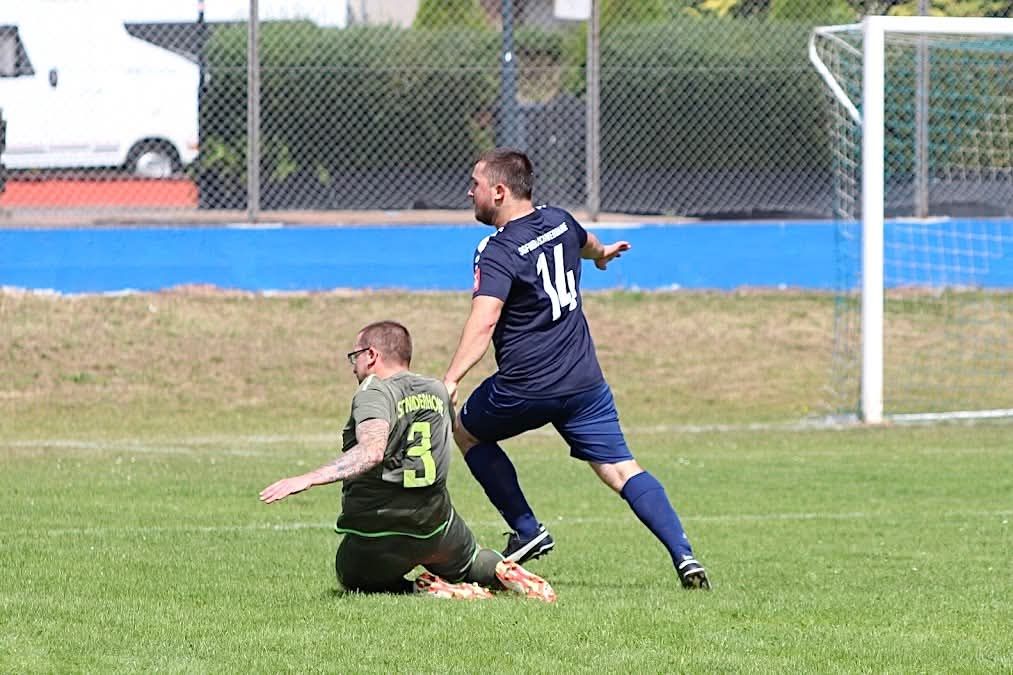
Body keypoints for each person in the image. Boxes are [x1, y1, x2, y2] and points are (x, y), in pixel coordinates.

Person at [443, 148, 709, 590]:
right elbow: (586, 242)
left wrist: (451, 377)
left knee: (468, 429)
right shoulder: (560, 220)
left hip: (526, 386)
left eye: (476, 184)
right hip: (584, 382)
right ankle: (685, 556)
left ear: (500, 191)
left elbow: (485, 319)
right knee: (623, 469)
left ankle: (527, 529)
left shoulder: (496, 249)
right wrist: (602, 254)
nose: (469, 191)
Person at [260, 320, 556, 602]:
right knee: (470, 560)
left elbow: (372, 451)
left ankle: (425, 588)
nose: (354, 367)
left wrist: (307, 478)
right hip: (435, 522)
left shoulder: (374, 390)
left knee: (349, 574)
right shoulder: (437, 390)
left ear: (372, 355)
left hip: (380, 526)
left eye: (355, 357)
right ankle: (501, 570)